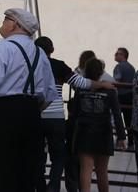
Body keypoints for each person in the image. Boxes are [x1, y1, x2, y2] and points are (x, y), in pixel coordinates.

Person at [0, 8, 56, 192]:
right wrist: (32, 109)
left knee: (1, 172)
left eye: (6, 19)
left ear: (16, 24)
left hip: (2, 115)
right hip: (31, 114)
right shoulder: (40, 53)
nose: (3, 22)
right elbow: (50, 93)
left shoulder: (4, 47)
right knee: (26, 174)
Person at [33, 37, 115, 192]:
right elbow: (80, 83)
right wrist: (102, 84)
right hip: (56, 116)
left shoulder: (29, 64)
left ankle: (40, 186)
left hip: (35, 116)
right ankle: (54, 185)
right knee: (58, 155)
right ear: (52, 50)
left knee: (36, 154)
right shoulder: (59, 66)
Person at [73, 58, 126, 192]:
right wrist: (121, 135)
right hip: (103, 131)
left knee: (85, 170)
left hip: (84, 131)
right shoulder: (110, 91)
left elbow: (74, 111)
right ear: (101, 72)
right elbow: (117, 113)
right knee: (102, 171)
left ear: (86, 71)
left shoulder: (80, 90)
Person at [113, 47, 135, 147]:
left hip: (121, 95)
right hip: (130, 95)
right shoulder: (131, 67)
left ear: (123, 56)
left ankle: (119, 138)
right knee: (128, 119)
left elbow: (117, 80)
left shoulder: (119, 67)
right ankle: (131, 140)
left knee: (116, 116)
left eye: (118, 53)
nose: (115, 55)